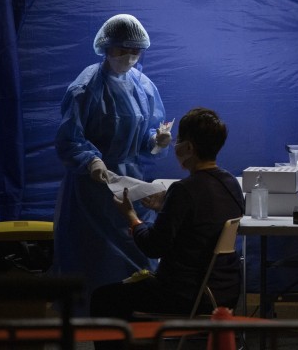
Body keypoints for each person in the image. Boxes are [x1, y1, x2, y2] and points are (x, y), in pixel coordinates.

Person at [53, 14, 171, 312]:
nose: (130, 57)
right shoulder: (85, 88)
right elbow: (69, 139)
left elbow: (145, 134)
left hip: (131, 186)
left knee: (138, 258)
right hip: (91, 193)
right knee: (94, 261)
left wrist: (157, 141)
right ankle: (87, 325)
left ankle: (134, 326)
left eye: (135, 51)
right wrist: (91, 160)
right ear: (106, 48)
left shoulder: (142, 86)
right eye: (122, 50)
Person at [90, 107, 245, 329]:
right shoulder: (231, 184)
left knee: (103, 298)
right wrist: (167, 205)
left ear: (189, 148)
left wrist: (132, 217)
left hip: (185, 295)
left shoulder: (184, 190)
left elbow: (153, 246)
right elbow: (204, 219)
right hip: (225, 292)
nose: (176, 146)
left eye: (179, 140)